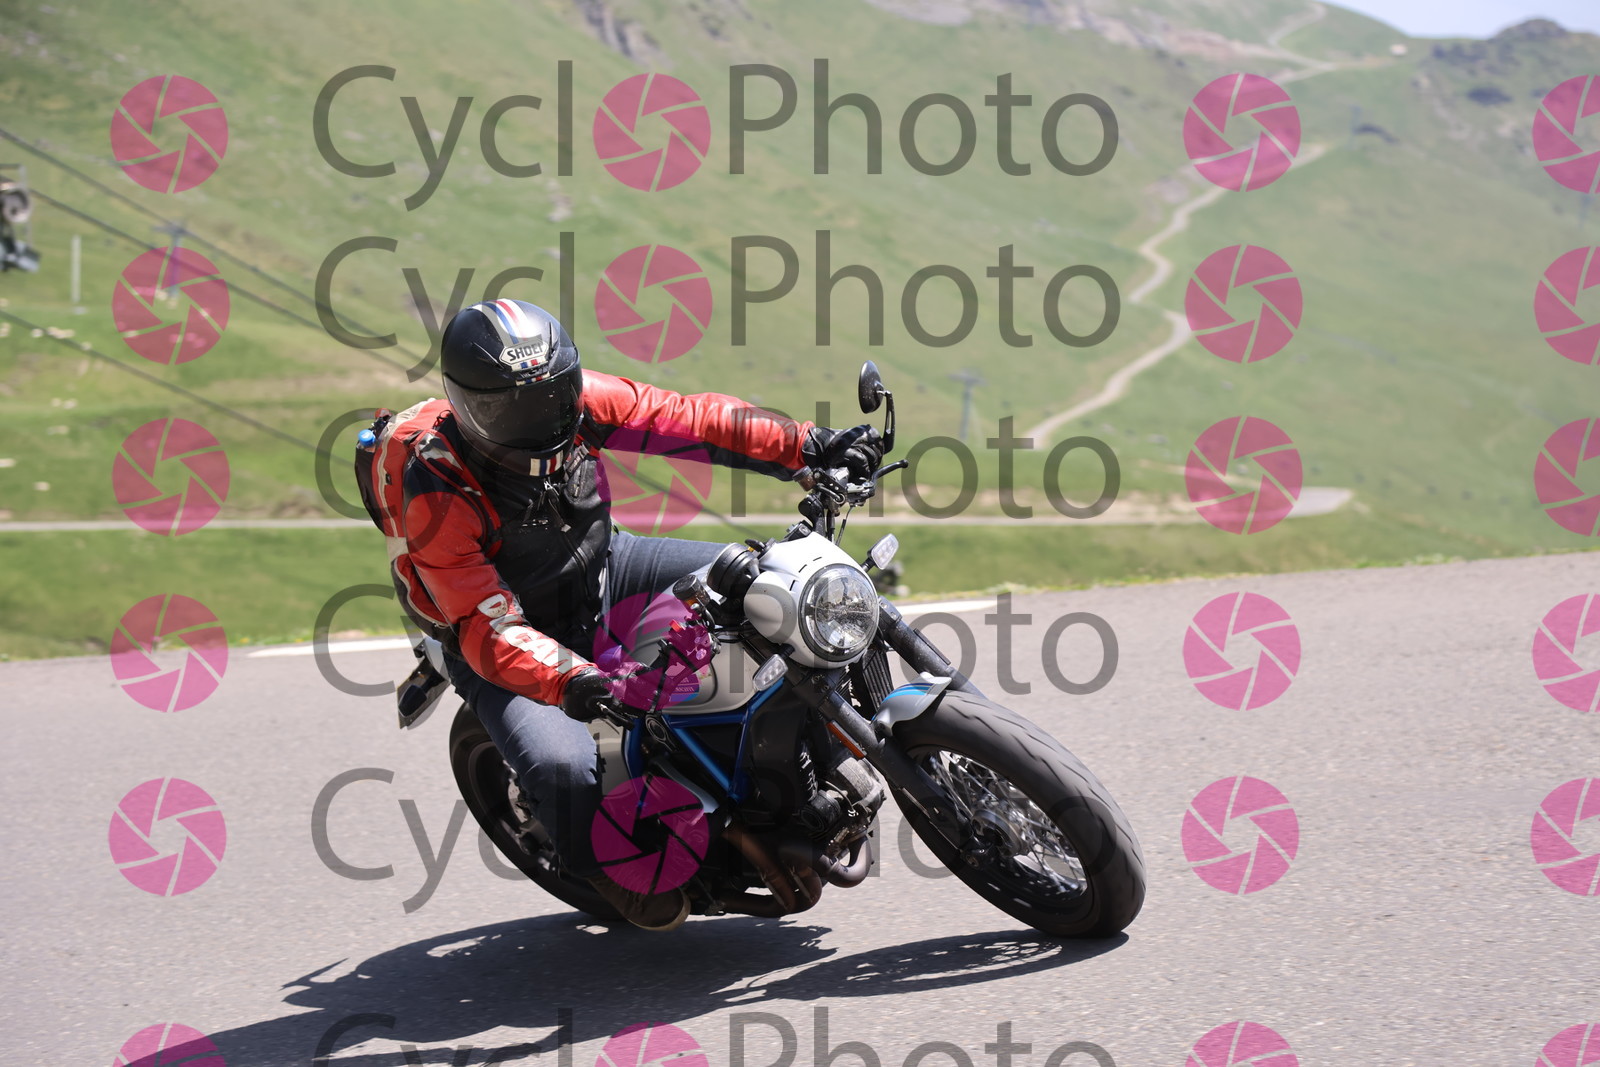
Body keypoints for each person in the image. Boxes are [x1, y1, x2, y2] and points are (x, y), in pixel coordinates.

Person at [384, 298, 882, 931]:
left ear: (568, 378)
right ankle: (604, 873)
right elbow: (488, 624)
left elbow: (687, 419)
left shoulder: (577, 403)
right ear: (463, 405)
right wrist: (573, 679)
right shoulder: (435, 486)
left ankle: (820, 742)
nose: (541, 418)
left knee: (778, 584)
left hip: (606, 566)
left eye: (554, 396)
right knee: (563, 768)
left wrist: (807, 445)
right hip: (500, 633)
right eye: (509, 410)